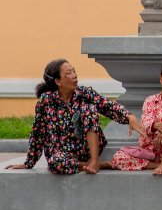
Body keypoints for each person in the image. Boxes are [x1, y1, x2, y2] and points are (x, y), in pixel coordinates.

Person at [6, 59, 144, 175]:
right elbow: (38, 132)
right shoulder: (46, 101)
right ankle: (97, 165)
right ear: (58, 81)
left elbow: (107, 105)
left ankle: (95, 161)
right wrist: (29, 163)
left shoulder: (84, 93)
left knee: (88, 109)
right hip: (62, 154)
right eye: (69, 73)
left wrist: (129, 116)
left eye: (74, 71)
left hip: (86, 147)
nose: (74, 75)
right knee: (54, 163)